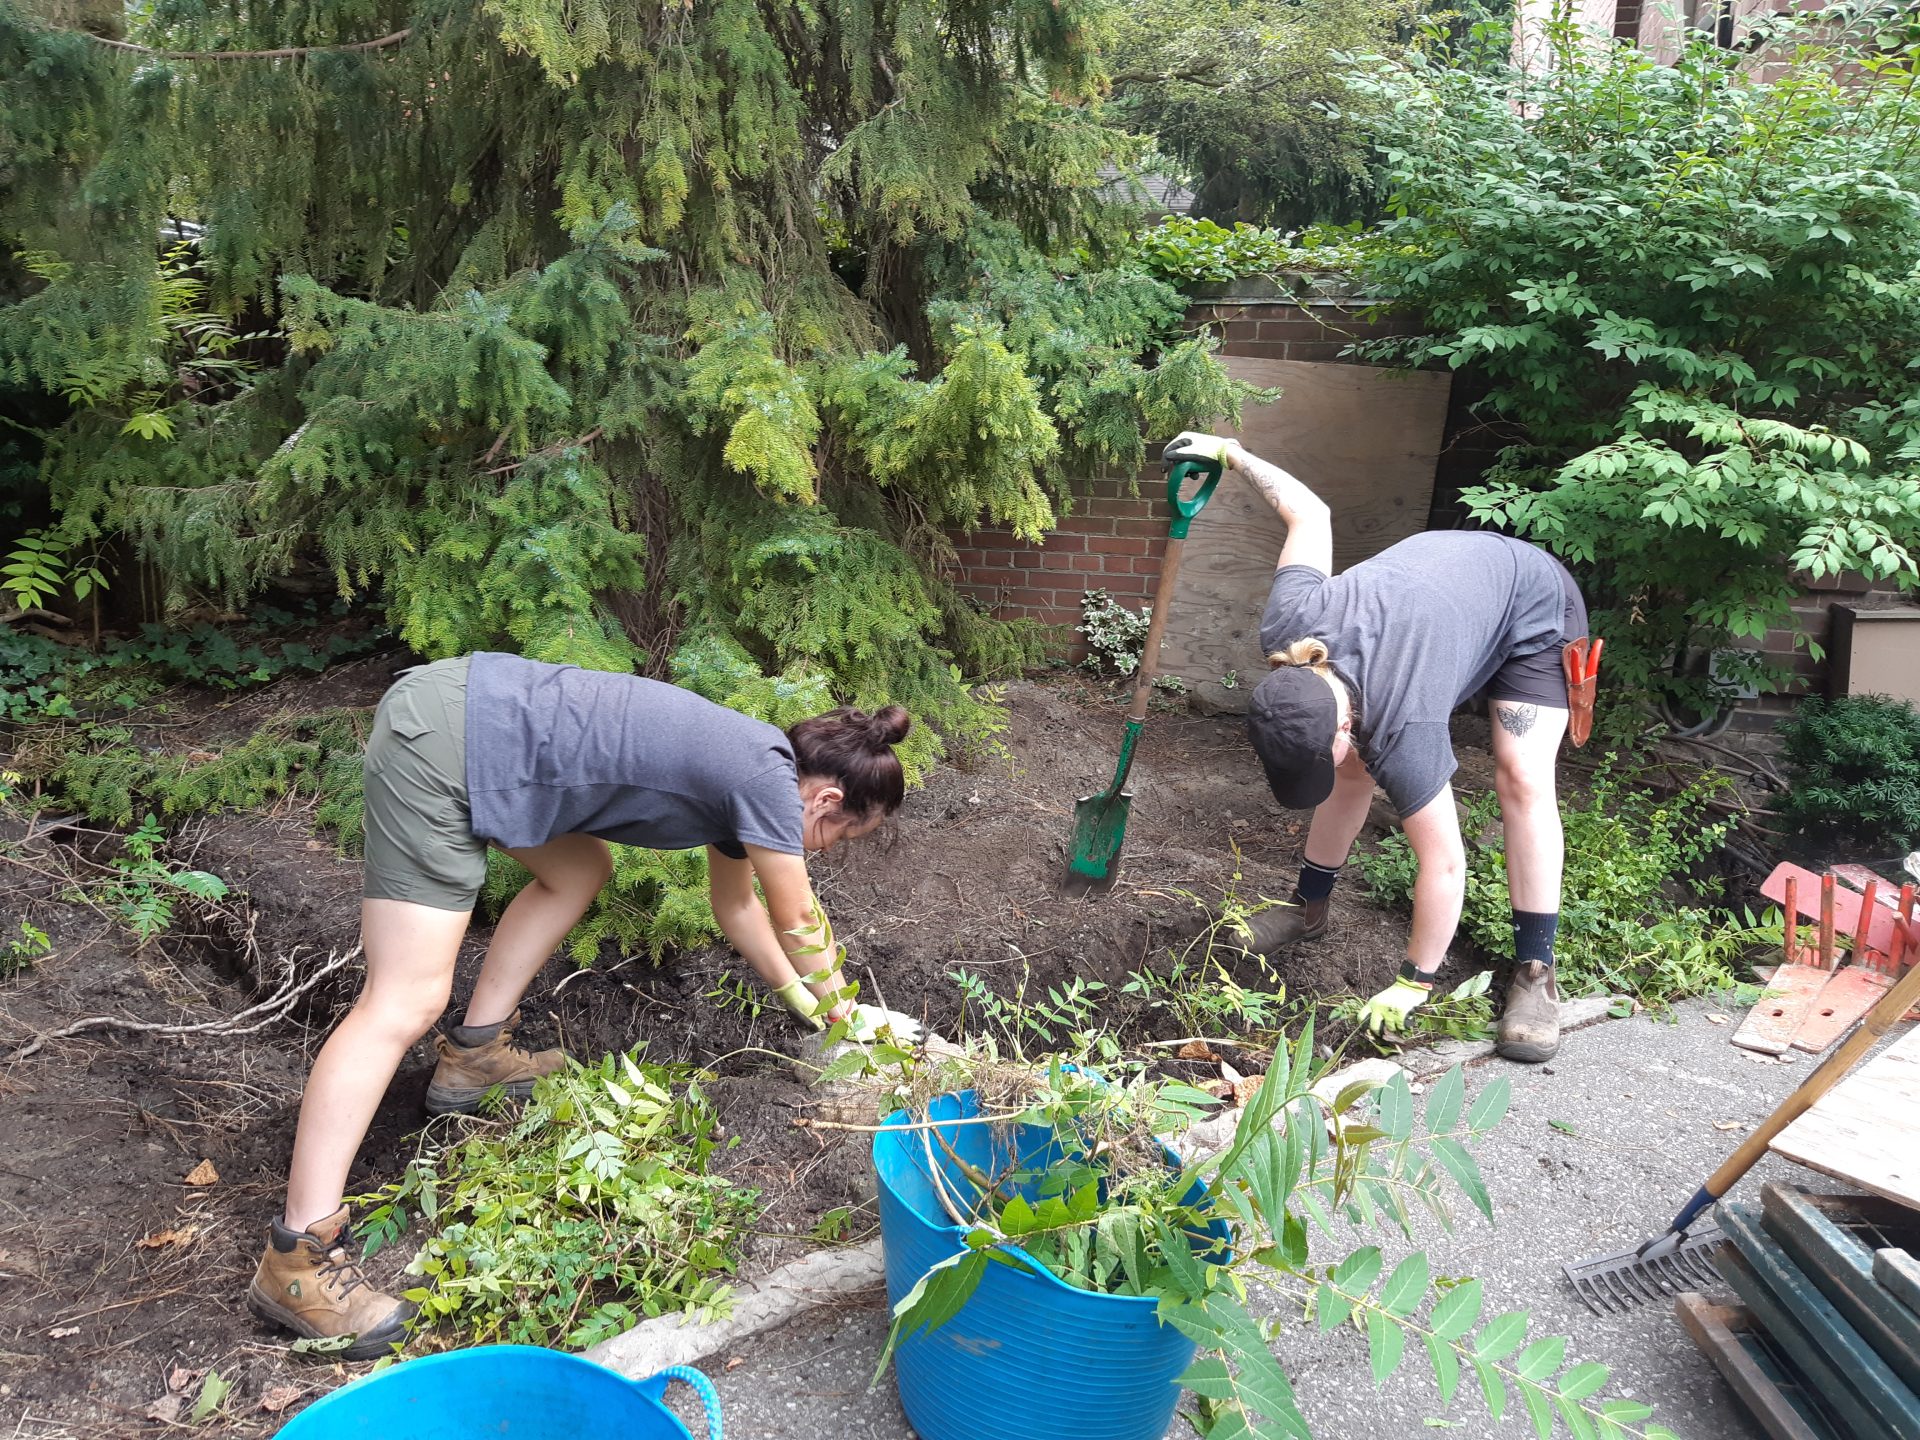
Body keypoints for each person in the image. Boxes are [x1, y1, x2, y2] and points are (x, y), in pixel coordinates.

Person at [247, 652, 912, 1356]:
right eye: (839, 838)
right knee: (404, 999)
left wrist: (801, 999)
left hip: (474, 718)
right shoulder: (767, 785)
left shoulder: (755, 774)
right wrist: (847, 1013)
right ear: (828, 802)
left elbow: (737, 906)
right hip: (448, 740)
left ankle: (474, 1057)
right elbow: (796, 912)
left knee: (578, 868)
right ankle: (299, 1257)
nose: (825, 848)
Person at [1162, 432, 1596, 1066]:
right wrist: (1230, 455)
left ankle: (1535, 970)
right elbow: (1308, 514)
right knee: (1351, 774)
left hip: (1529, 604)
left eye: (1335, 746)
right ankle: (1308, 908)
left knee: (1520, 777)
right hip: (1442, 591)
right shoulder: (1291, 628)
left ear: (1343, 724)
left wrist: (1411, 984)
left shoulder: (1404, 727)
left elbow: (1445, 866)